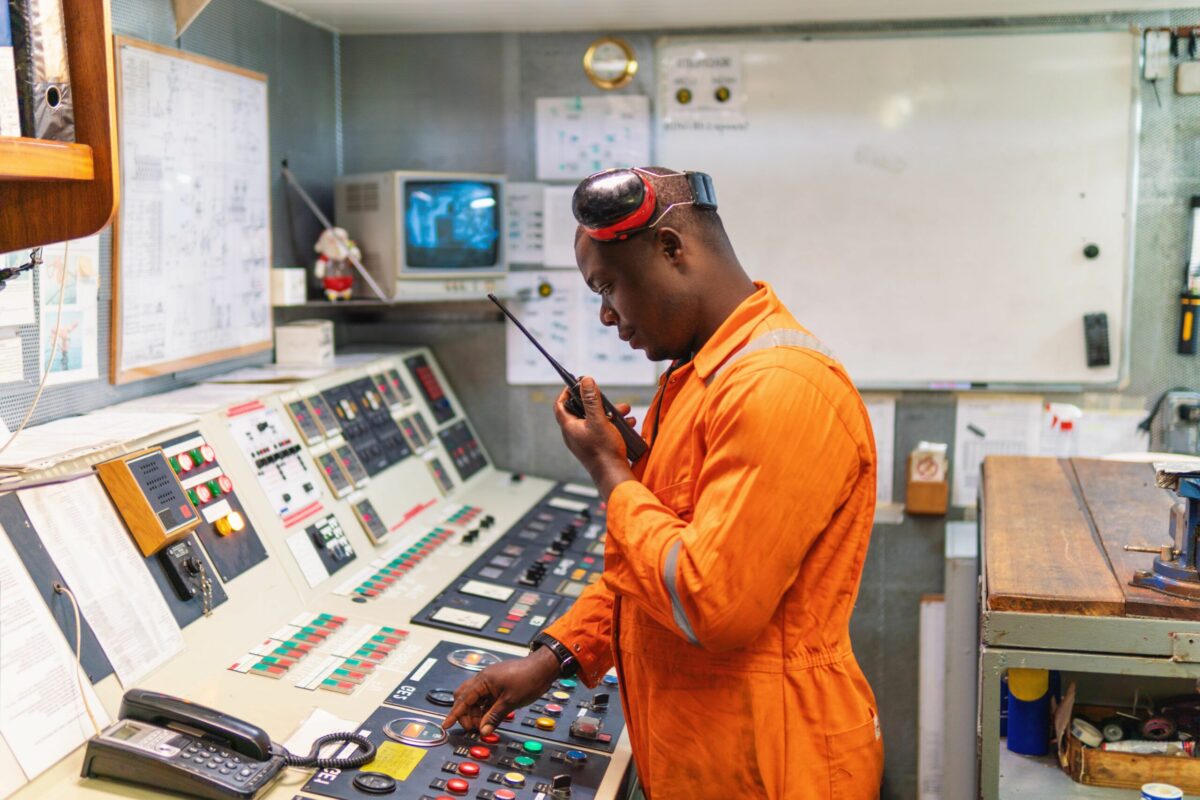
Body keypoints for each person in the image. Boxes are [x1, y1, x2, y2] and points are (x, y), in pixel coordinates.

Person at [444, 166, 883, 799]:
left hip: (777, 768)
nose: (604, 315)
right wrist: (553, 661)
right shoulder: (698, 380)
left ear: (671, 249)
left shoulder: (779, 387)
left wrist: (610, 471)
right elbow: (654, 570)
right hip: (710, 755)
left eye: (609, 286)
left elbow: (709, 603)